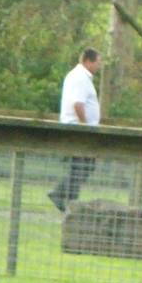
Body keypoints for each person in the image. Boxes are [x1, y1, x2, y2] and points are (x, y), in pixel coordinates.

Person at [48, 46, 102, 212]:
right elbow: (78, 104)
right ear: (88, 61)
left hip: (77, 126)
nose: (99, 66)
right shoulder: (80, 78)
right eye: (98, 62)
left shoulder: (80, 77)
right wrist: (85, 126)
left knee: (84, 166)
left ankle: (68, 199)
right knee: (81, 166)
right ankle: (63, 196)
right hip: (78, 127)